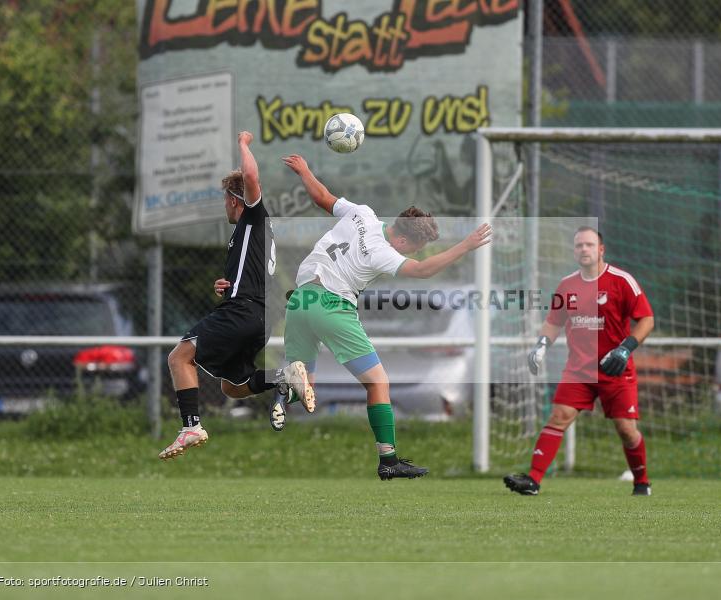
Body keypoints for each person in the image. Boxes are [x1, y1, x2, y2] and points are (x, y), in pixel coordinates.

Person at [274, 154, 491, 480]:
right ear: (403, 239)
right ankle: (388, 461)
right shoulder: (383, 251)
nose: (412, 254)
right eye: (414, 247)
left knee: (306, 386)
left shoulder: (362, 213)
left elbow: (321, 197)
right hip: (332, 306)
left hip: (300, 300)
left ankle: (281, 392)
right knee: (378, 382)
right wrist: (465, 246)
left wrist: (305, 170)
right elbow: (421, 272)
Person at [158, 131, 301, 460]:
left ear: (235, 200)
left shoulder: (253, 216)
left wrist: (243, 143)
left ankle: (191, 426)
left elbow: (250, 176)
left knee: (179, 357)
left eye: (226, 198)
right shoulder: (247, 233)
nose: (225, 203)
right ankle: (285, 376)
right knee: (233, 386)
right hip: (259, 315)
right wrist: (229, 284)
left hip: (244, 312)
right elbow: (256, 273)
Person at [504, 226, 655, 495]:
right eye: (578, 246)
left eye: (588, 244)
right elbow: (553, 323)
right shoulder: (567, 285)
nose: (583, 249)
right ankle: (533, 480)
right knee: (559, 417)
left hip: (615, 369)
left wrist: (625, 349)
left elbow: (647, 319)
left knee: (627, 430)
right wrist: (540, 346)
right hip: (579, 369)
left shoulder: (621, 281)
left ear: (601, 249)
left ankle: (642, 482)